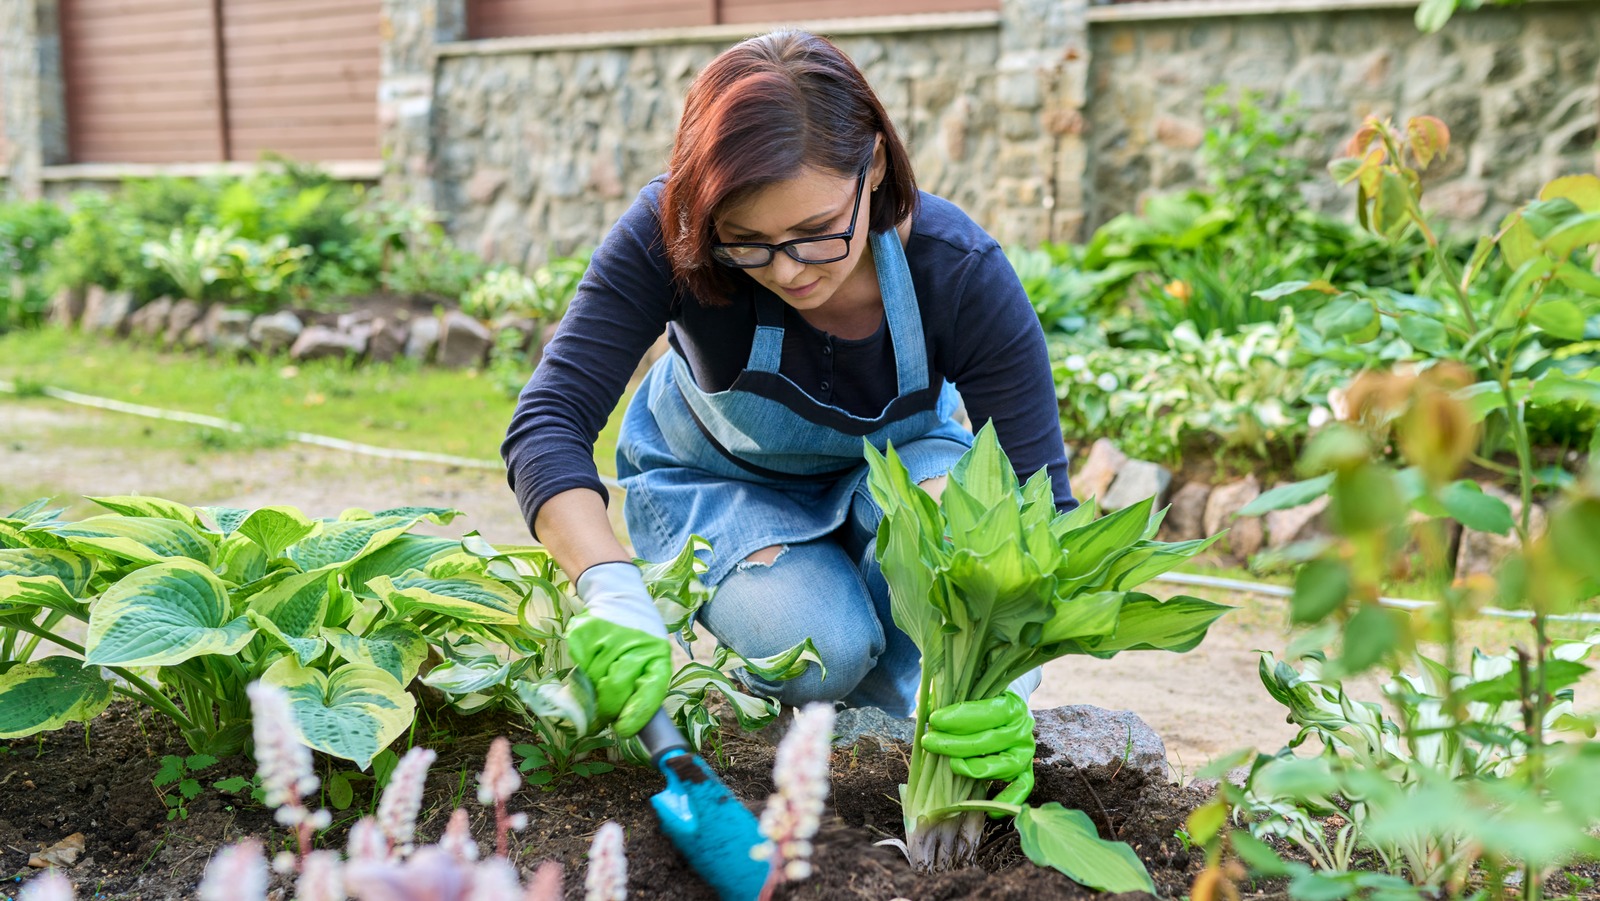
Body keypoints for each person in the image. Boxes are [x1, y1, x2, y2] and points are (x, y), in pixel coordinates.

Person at [502, 30, 1074, 799]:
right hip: (717, 482)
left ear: (872, 165)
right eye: (748, 245)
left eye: (814, 234)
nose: (787, 271)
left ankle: (893, 735)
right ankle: (811, 698)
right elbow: (548, 419)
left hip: (902, 473)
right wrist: (610, 588)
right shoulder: (665, 233)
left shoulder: (958, 272)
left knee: (951, 562)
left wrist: (1011, 679)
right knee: (819, 651)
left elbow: (1041, 500)